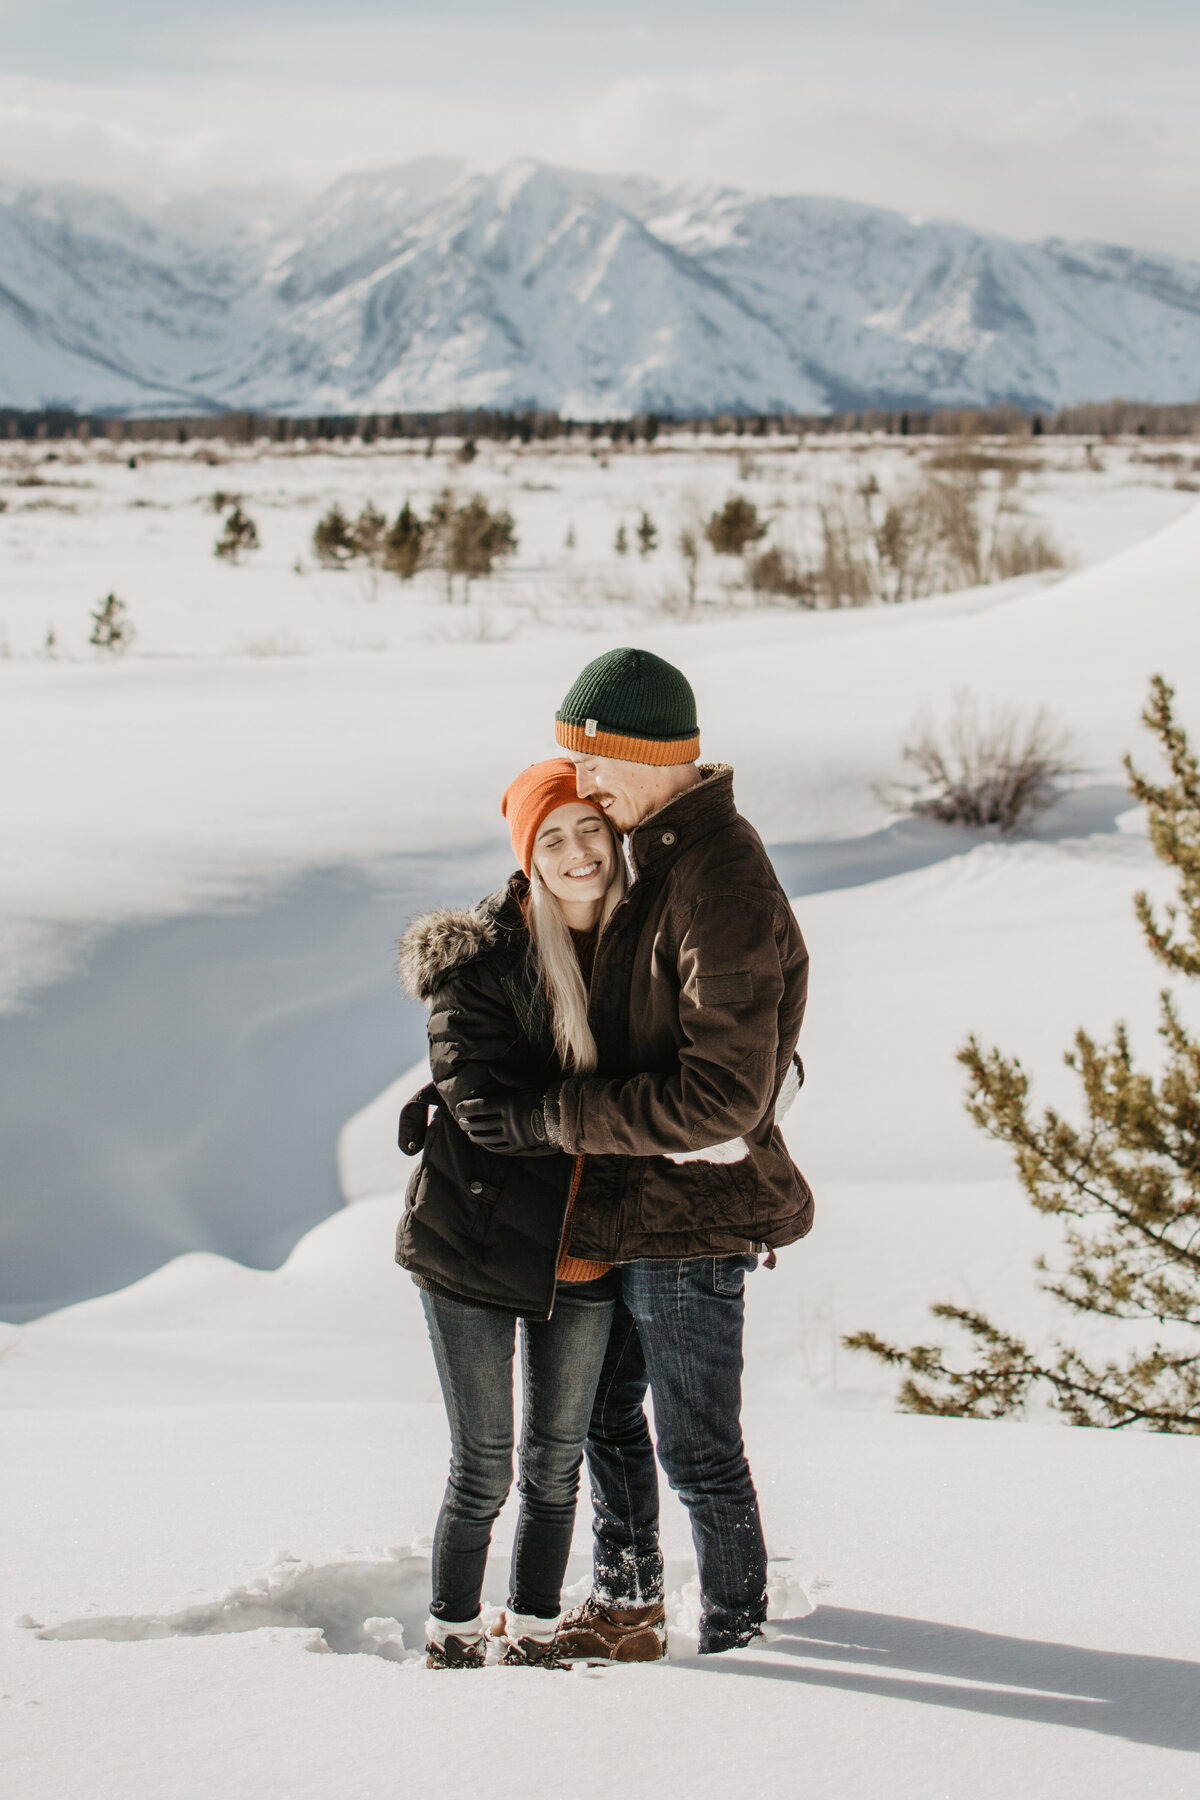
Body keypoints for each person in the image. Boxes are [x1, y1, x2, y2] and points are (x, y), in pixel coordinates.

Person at [457, 647, 814, 1658]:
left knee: (696, 1447)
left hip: (692, 1218)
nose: (585, 783)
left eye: (594, 762)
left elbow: (722, 1094)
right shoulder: (653, 847)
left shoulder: (720, 876)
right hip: (626, 1202)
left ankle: (740, 1632)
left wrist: (558, 1118)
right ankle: (628, 1601)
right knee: (609, 1417)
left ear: (646, 753)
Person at [396, 757, 647, 1669]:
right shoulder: (481, 961)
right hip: (471, 1244)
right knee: (485, 1468)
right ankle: (454, 1635)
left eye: (591, 829)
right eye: (554, 837)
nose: (579, 851)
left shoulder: (643, 949)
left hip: (583, 1253)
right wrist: (613, 1113)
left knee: (556, 1467)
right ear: (528, 857)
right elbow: (484, 1112)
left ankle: (535, 1632)